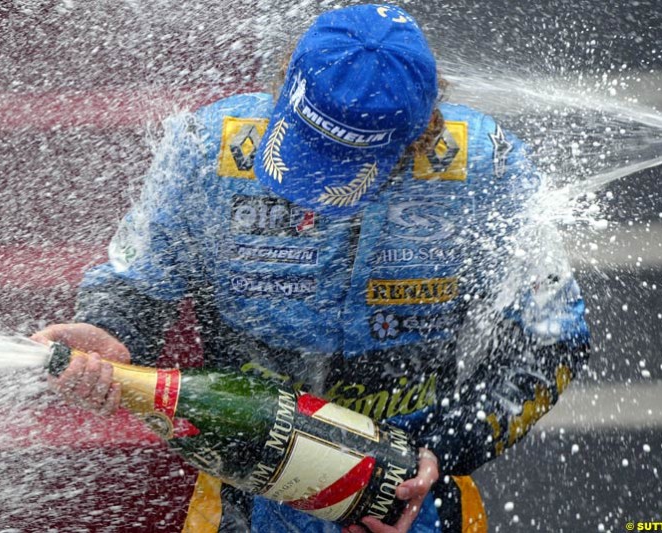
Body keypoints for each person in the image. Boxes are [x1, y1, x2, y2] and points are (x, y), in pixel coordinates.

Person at [33, 4, 590, 532]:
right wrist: (111, 329)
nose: (316, 197)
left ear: (419, 133)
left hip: (412, 499)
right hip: (244, 499)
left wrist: (443, 446)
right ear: (284, 82)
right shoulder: (206, 147)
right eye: (306, 147)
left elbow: (554, 340)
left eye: (344, 167)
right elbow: (138, 283)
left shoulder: (489, 165)